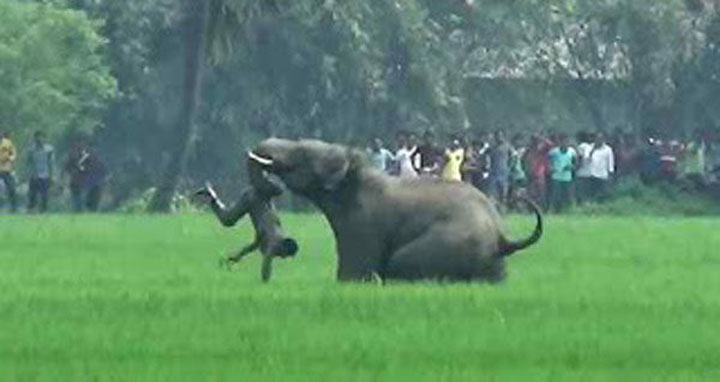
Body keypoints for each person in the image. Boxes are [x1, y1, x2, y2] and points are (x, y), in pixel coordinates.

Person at [194, 159, 298, 283]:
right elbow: (267, 262)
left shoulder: (272, 235)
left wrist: (236, 257)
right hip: (252, 199)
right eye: (284, 255)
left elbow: (254, 245)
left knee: (227, 220)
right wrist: (265, 283)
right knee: (227, 220)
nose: (282, 257)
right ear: (283, 247)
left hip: (260, 197)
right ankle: (212, 196)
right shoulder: (274, 241)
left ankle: (212, 197)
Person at [548, 133, 577, 212]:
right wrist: (551, 168)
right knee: (556, 196)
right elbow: (548, 161)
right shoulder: (554, 152)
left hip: (567, 177)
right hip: (556, 177)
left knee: (568, 195)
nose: (564, 143)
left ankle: (570, 210)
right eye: (563, 141)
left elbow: (576, 163)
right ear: (560, 142)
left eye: (566, 141)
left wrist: (571, 167)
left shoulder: (572, 151)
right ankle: (555, 210)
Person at [26, 131, 54, 213]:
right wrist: (27, 174)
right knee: (32, 194)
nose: (39, 139)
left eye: (41, 137)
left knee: (44, 194)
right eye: (37, 137)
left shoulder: (49, 149)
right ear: (35, 138)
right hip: (34, 175)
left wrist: (52, 175)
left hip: (45, 175)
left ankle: (44, 210)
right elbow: (28, 163)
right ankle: (31, 209)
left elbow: (51, 163)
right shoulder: (31, 150)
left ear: (44, 138)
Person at [524, 134, 553, 208]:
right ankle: (530, 208)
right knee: (531, 194)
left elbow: (550, 144)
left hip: (540, 175)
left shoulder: (542, 151)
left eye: (536, 140)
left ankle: (541, 208)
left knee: (541, 193)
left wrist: (543, 138)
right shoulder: (528, 151)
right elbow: (523, 161)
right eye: (533, 140)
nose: (534, 142)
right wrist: (526, 170)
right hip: (530, 175)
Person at [586, 133, 615, 202]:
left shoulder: (608, 149)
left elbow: (610, 162)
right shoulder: (589, 147)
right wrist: (593, 150)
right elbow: (586, 160)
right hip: (591, 175)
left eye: (601, 139)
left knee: (602, 195)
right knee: (591, 194)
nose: (599, 140)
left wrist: (610, 173)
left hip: (603, 175)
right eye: (597, 139)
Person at [487, 131, 513, 205]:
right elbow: (486, 157)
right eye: (497, 136)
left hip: (504, 172)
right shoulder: (492, 147)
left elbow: (513, 158)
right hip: (493, 172)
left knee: (503, 192)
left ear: (503, 136)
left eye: (500, 136)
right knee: (492, 192)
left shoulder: (507, 146)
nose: (499, 137)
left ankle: (503, 208)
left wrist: (509, 168)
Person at [575, 132, 595, 204]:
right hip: (591, 171)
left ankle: (581, 202)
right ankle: (588, 202)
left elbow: (580, 158)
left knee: (581, 190)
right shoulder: (592, 146)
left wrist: (576, 167)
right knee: (588, 189)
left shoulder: (581, 146)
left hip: (582, 172)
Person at [0, 131, 18, 212]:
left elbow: (13, 154)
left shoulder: (7, 143)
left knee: (11, 188)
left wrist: (9, 159)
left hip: (6, 170)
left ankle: (13, 208)